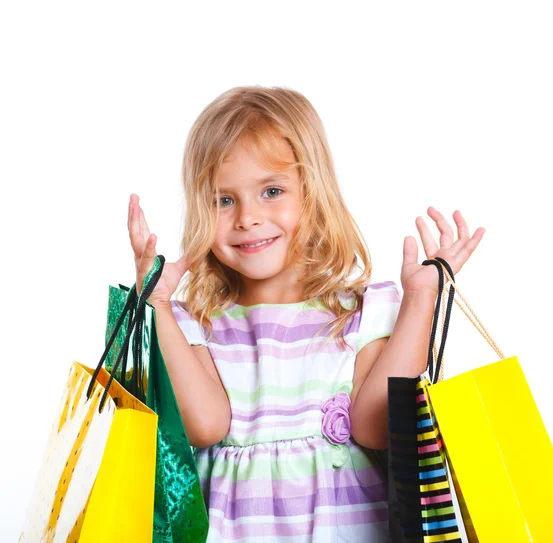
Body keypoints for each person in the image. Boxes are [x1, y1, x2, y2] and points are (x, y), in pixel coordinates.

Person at [127, 86, 485, 542]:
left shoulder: (364, 313)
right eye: (223, 200)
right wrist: (156, 304)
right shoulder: (195, 324)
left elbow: (376, 429)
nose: (247, 218)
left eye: (271, 191)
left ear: (312, 194)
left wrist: (420, 301)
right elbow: (204, 425)